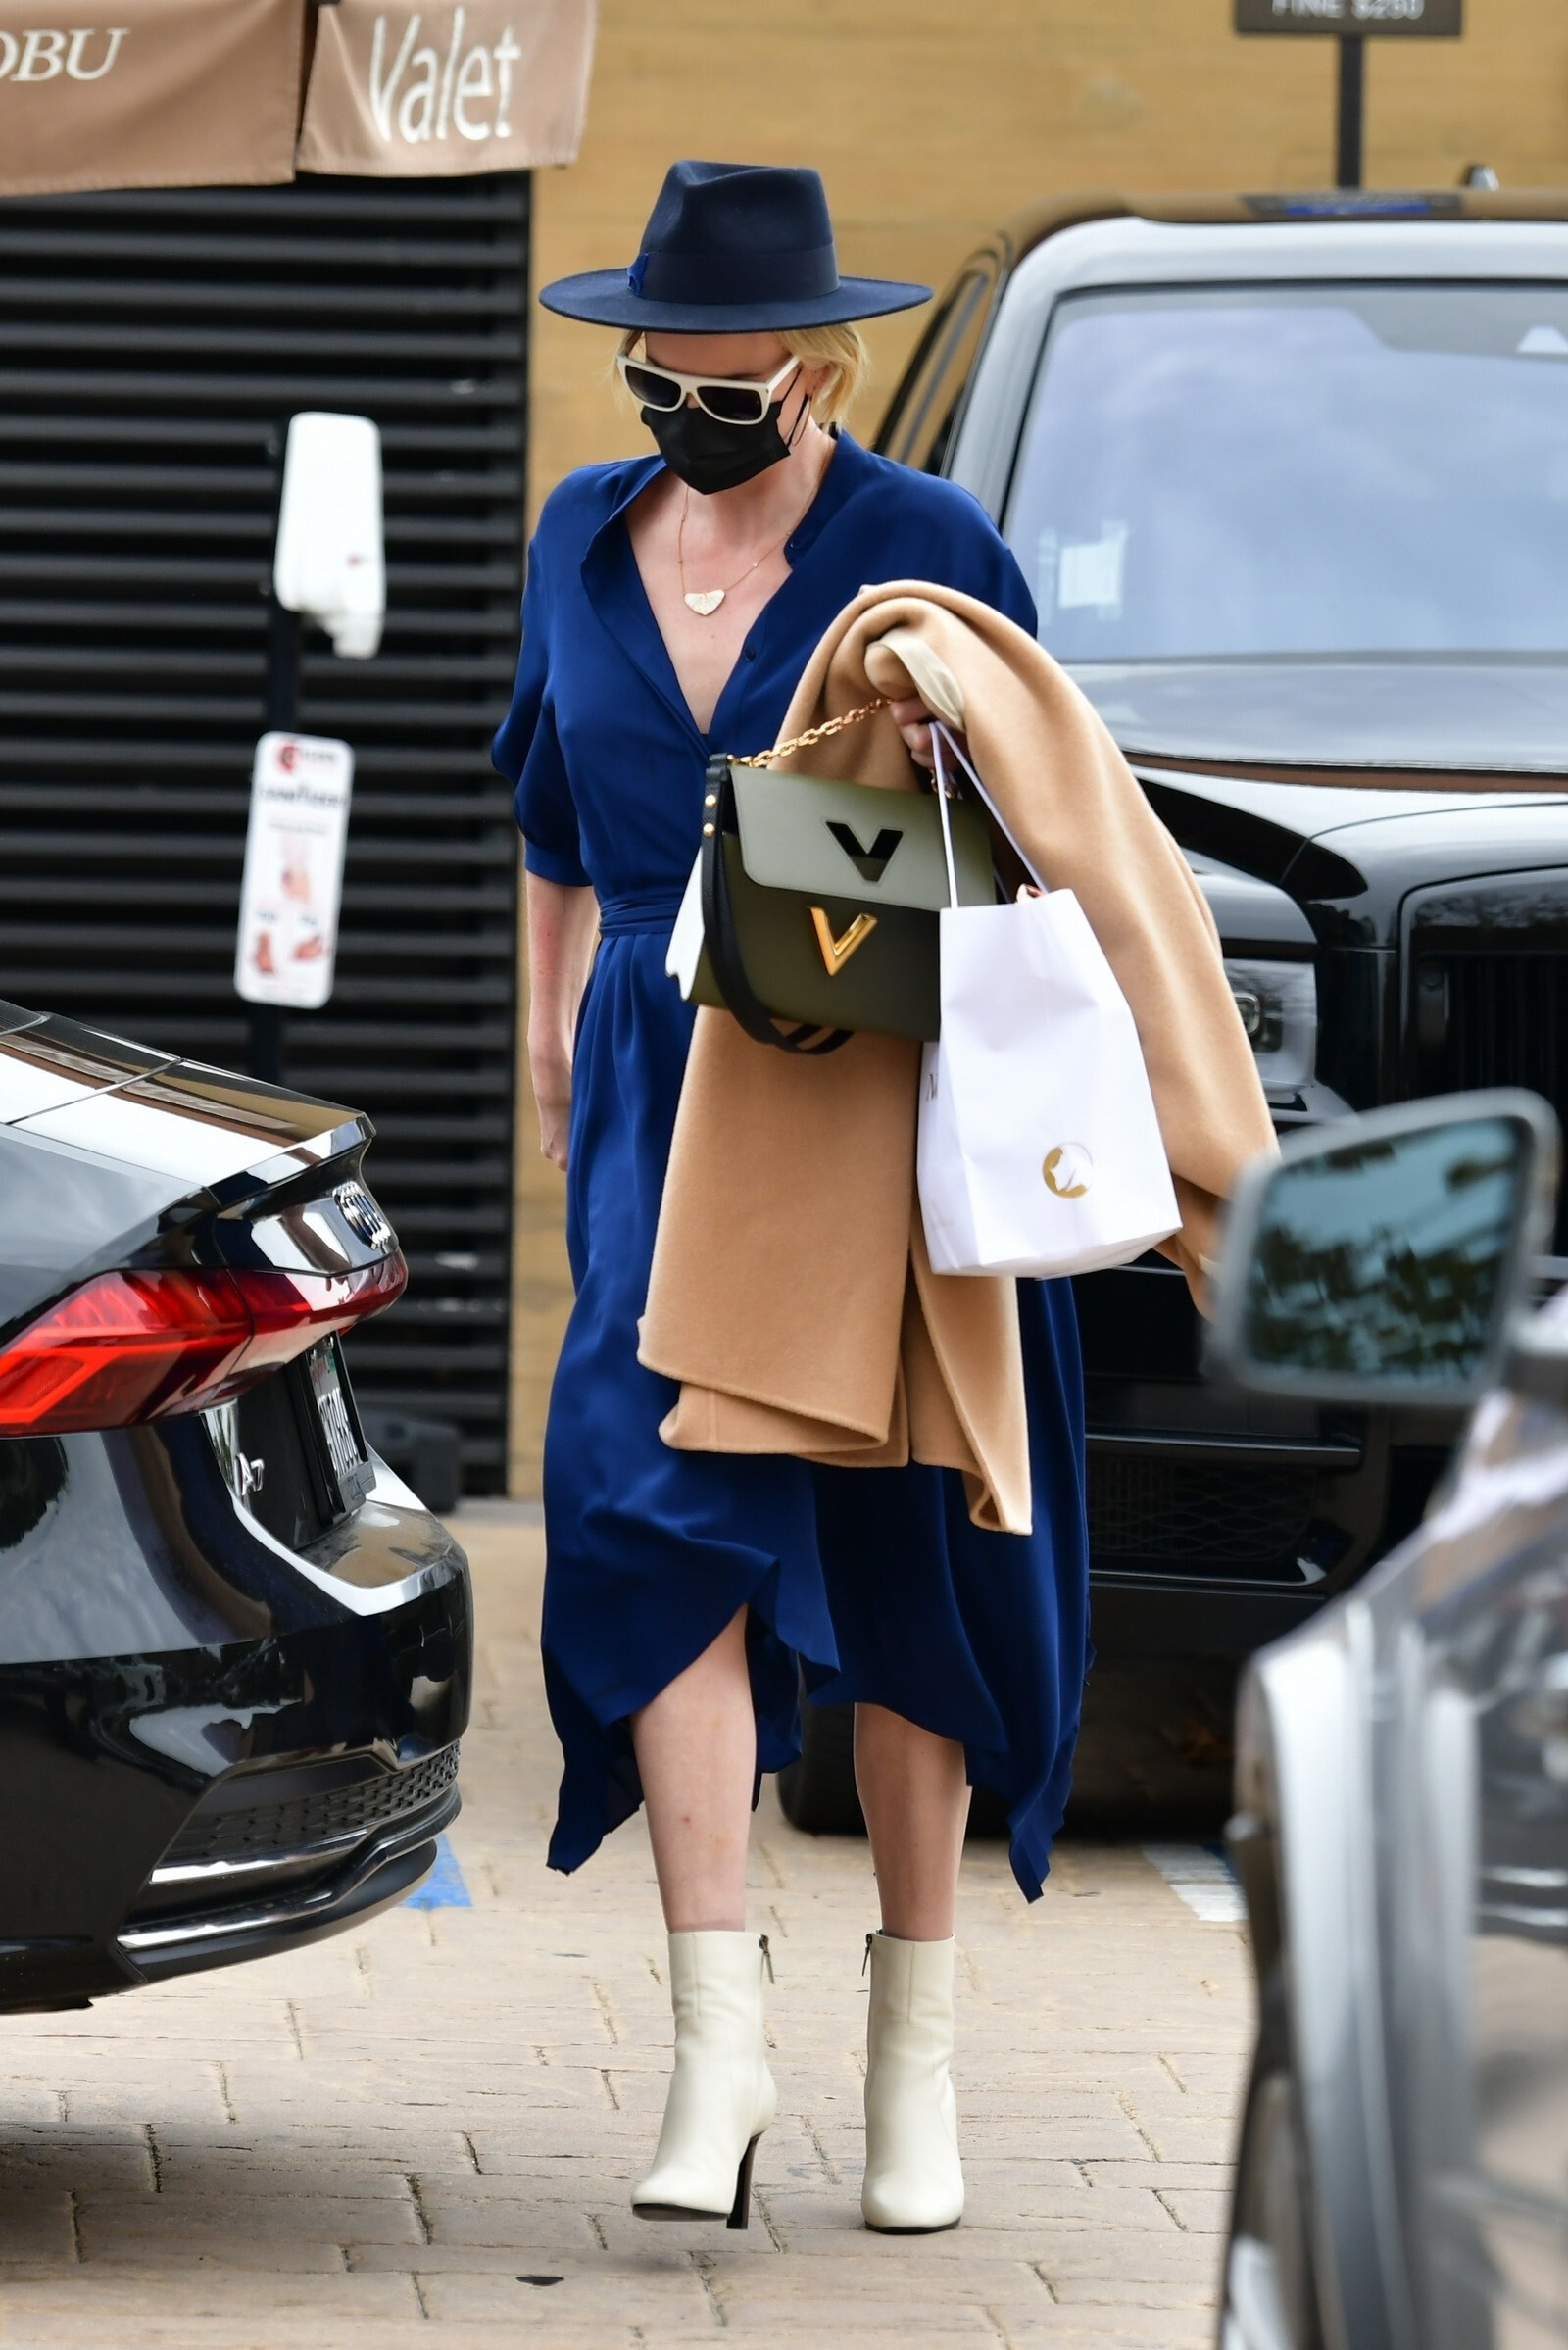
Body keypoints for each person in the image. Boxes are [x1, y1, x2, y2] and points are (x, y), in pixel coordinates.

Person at [493, 160, 1089, 2237]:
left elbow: (1046, 824)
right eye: (654, 362)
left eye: (722, 372)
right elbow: (550, 810)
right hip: (659, 1101)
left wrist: (937, 741)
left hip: (869, 1089)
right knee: (647, 1522)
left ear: (814, 371)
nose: (681, 396)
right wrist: (552, 1040)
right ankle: (714, 2047)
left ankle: (912, 2059)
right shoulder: (580, 536)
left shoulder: (927, 546)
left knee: (900, 1531)